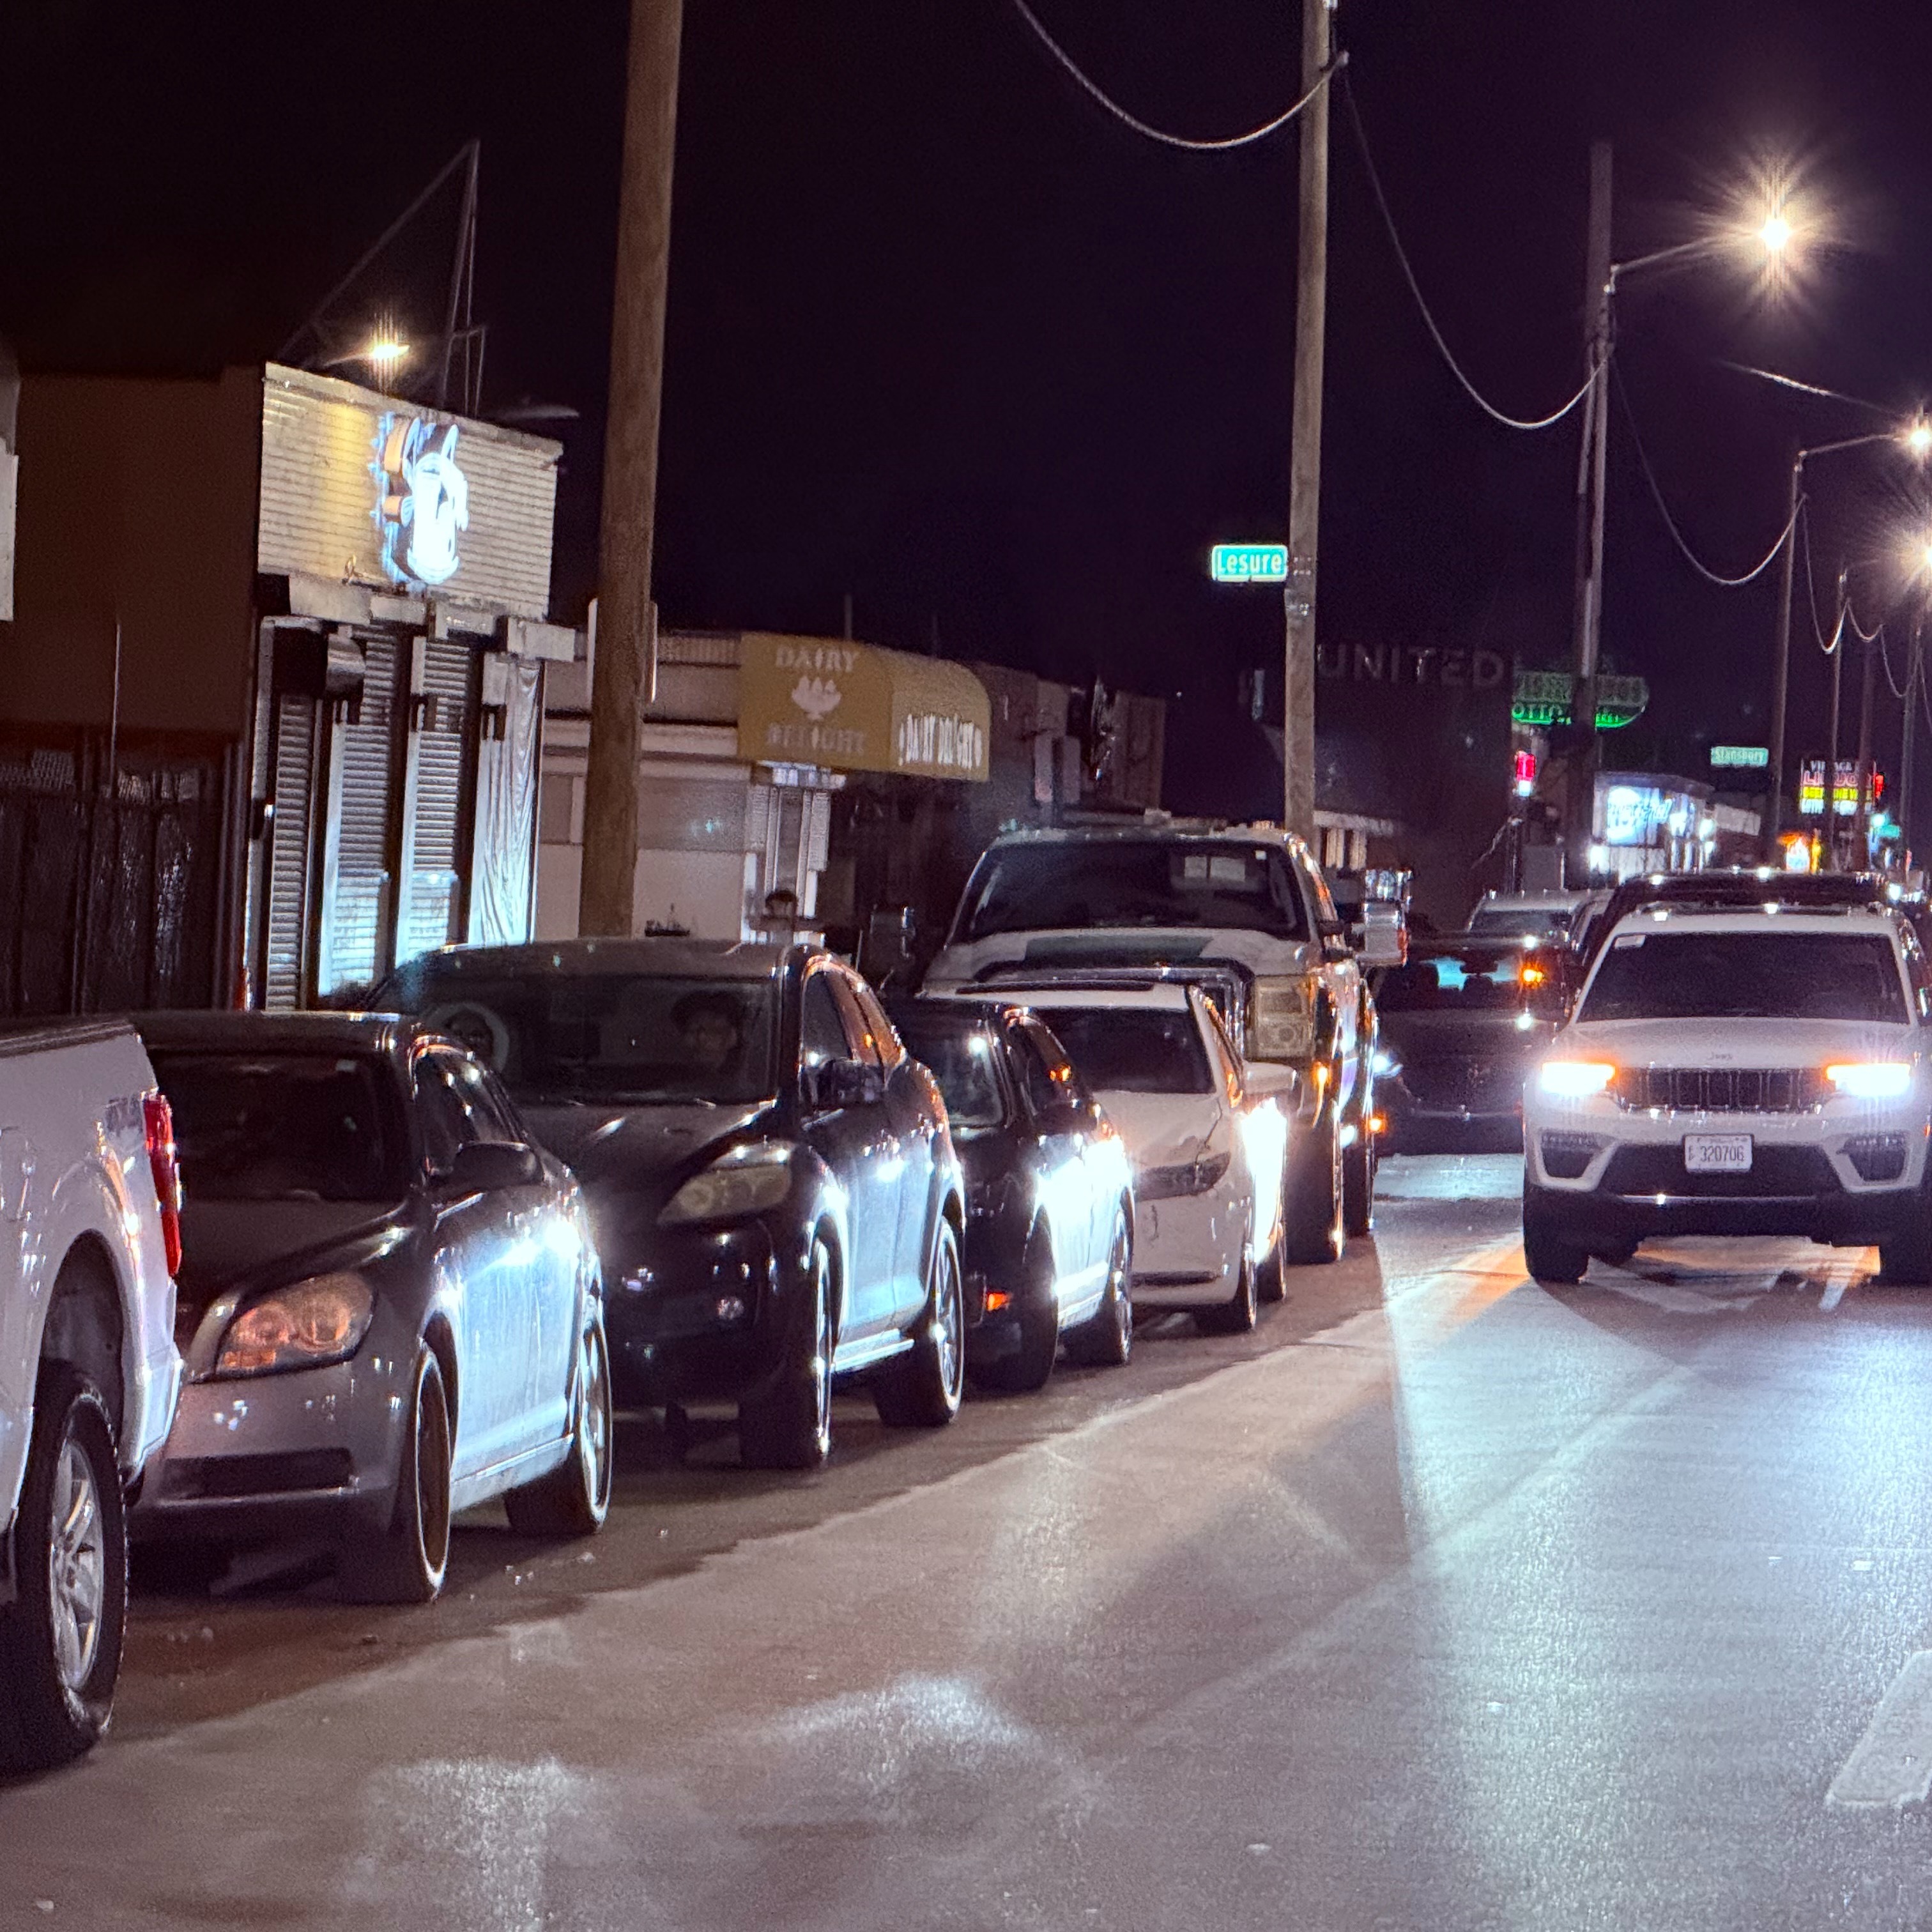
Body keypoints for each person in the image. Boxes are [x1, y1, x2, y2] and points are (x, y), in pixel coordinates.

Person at [671, 990, 744, 1076]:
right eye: (693, 1031)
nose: (701, 1038)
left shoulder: (749, 1084)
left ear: (732, 1036)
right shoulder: (671, 1082)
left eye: (712, 1029)